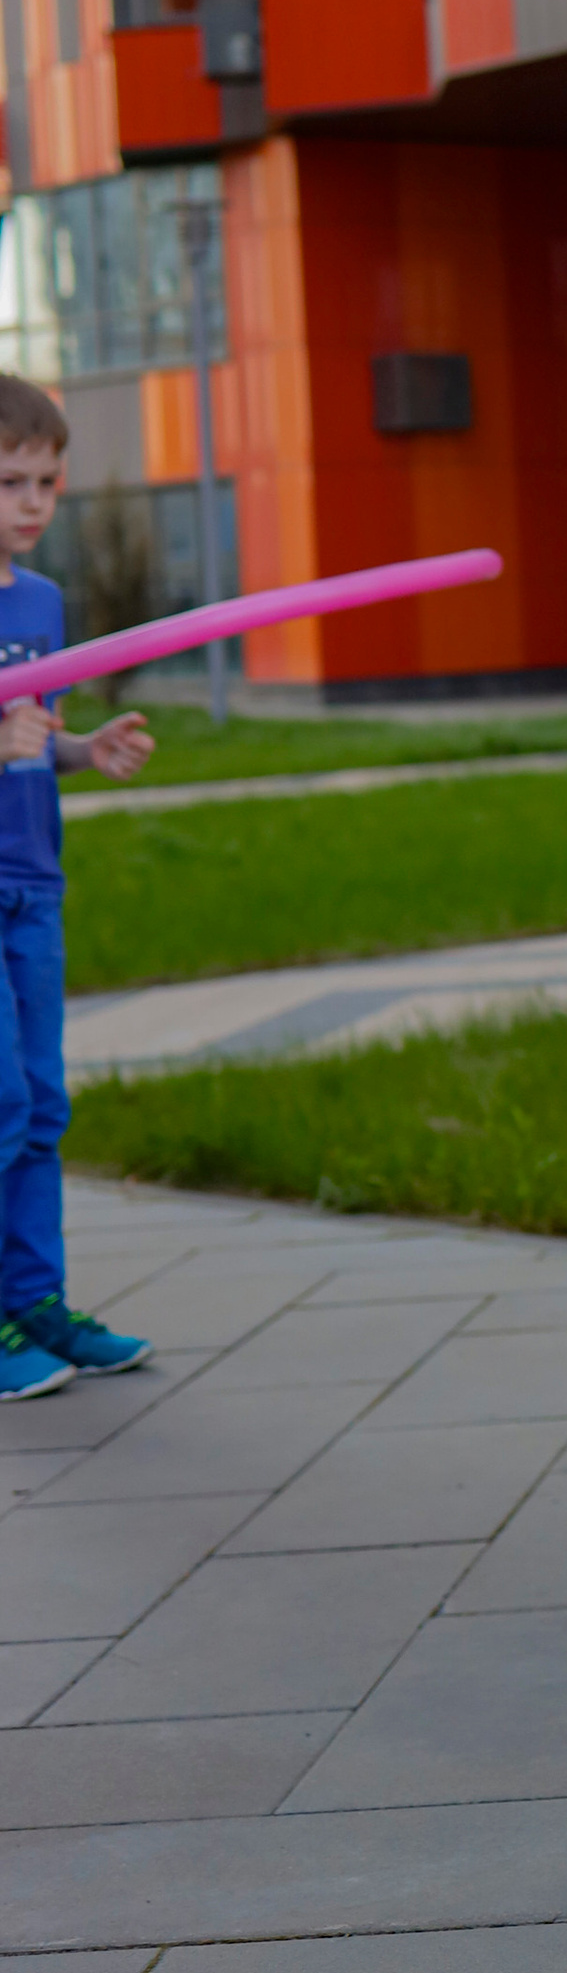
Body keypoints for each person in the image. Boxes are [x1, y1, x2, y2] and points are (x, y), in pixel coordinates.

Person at [0, 377, 157, 1404]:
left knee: (43, 1106)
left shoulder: (45, 604)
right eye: (9, 482)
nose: (31, 502)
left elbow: (32, 746)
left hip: (32, 887)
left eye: (47, 482)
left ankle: (36, 1301)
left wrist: (80, 751)